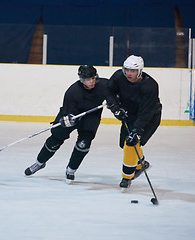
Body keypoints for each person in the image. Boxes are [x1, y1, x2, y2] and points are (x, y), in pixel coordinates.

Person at [24, 65, 108, 183]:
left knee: (84, 143)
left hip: (91, 117)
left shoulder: (104, 85)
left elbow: (116, 92)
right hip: (70, 115)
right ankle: (39, 163)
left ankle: (71, 169)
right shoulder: (73, 92)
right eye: (88, 79)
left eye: (93, 78)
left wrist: (115, 100)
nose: (92, 81)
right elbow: (69, 112)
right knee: (56, 138)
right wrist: (69, 120)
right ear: (81, 79)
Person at [106, 55, 162, 189]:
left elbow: (146, 112)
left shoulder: (150, 86)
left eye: (133, 71)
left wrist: (137, 130)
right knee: (124, 145)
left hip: (149, 118)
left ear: (140, 71)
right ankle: (141, 163)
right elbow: (108, 91)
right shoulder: (119, 76)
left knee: (131, 144)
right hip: (130, 115)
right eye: (126, 70)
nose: (128, 74)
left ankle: (127, 178)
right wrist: (115, 107)